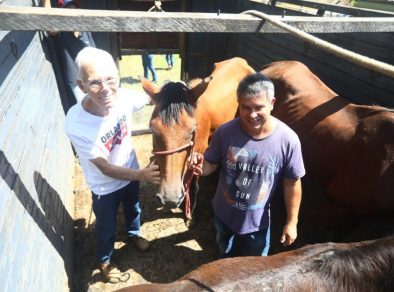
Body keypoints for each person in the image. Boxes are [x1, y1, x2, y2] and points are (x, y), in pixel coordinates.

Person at [65, 47, 161, 283]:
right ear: (81, 85)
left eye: (111, 79)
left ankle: (133, 234)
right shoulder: (76, 123)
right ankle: (105, 260)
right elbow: (105, 169)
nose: (106, 89)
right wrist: (141, 175)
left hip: (131, 172)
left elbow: (151, 97)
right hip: (105, 187)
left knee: (134, 208)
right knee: (105, 227)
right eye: (95, 83)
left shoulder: (124, 97)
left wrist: (176, 90)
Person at [190, 72, 305, 258]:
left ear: (272, 103)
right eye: (245, 107)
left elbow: (292, 182)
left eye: (259, 107)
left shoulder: (288, 140)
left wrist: (292, 222)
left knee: (254, 264)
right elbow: (210, 164)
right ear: (238, 104)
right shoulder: (224, 132)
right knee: (224, 254)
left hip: (257, 224)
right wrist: (199, 167)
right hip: (223, 215)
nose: (252, 115)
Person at [43, 0, 96, 103]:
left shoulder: (85, 31)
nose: (73, 14)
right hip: (76, 84)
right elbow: (49, 23)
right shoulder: (61, 33)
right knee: (86, 110)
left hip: (93, 79)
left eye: (74, 9)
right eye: (69, 10)